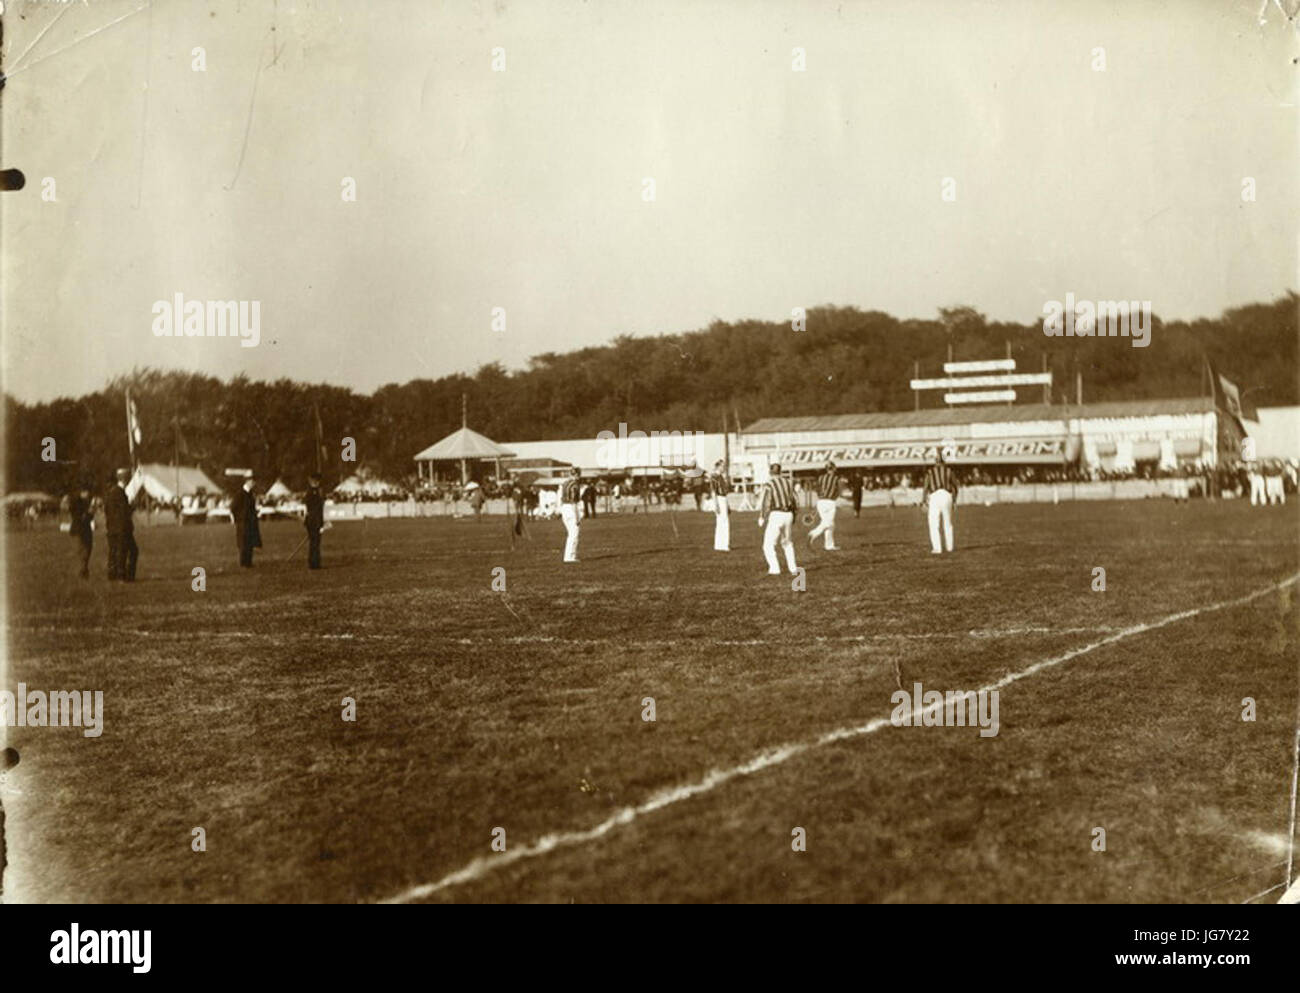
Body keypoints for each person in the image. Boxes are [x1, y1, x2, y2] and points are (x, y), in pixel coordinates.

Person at [757, 462, 799, 576]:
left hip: (776, 514)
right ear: (780, 471)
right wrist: (794, 515)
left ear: (770, 472)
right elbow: (795, 500)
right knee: (788, 543)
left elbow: (766, 501)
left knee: (768, 544)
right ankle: (793, 568)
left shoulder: (769, 484)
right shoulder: (788, 482)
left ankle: (775, 568)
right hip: (788, 513)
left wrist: (762, 516)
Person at [104, 468, 138, 582]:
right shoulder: (119, 492)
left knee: (114, 551)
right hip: (122, 528)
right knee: (127, 551)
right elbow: (123, 512)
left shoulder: (111, 492)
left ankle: (112, 574)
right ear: (125, 478)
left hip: (112, 528)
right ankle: (123, 575)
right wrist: (132, 506)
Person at [922, 451, 959, 554]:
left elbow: (925, 487)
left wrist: (924, 502)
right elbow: (955, 486)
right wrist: (954, 501)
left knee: (934, 523)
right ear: (944, 462)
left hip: (934, 496)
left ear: (935, 462)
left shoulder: (930, 472)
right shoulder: (949, 471)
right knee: (948, 523)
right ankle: (950, 547)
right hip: (947, 495)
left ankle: (937, 548)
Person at [807, 460, 842, 550]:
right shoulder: (836, 478)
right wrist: (834, 497)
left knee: (830, 524)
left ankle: (829, 545)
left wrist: (821, 496)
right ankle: (813, 534)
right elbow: (839, 491)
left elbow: (817, 488)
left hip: (821, 502)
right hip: (830, 502)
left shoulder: (821, 477)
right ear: (833, 468)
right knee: (828, 523)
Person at [233, 475, 262, 567]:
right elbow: (233, 507)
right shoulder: (240, 493)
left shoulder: (250, 494)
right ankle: (243, 562)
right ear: (247, 482)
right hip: (243, 522)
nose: (254, 484)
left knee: (250, 542)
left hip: (251, 521)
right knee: (243, 542)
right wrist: (239, 518)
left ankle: (248, 562)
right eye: (252, 482)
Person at [69, 482, 95, 579]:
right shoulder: (79, 502)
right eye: (87, 492)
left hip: (81, 528)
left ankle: (84, 569)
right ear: (83, 492)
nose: (88, 494)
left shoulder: (79, 501)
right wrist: (90, 513)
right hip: (82, 528)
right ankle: (83, 570)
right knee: (85, 549)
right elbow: (83, 517)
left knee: (85, 549)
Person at [709, 459, 731, 552]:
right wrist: (716, 504)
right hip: (719, 499)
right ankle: (723, 545)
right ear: (718, 466)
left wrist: (727, 504)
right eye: (723, 466)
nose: (724, 468)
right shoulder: (714, 477)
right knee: (723, 522)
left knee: (722, 521)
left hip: (723, 499)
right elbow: (713, 491)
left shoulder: (720, 477)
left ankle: (720, 544)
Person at [559, 466, 581, 563]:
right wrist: (577, 517)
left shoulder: (564, 483)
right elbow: (574, 502)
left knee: (570, 533)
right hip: (571, 509)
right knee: (574, 534)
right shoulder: (575, 485)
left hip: (564, 508)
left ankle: (568, 556)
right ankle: (570, 557)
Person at [305, 473, 325, 570]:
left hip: (312, 520)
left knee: (315, 542)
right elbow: (316, 510)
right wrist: (320, 523)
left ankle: (314, 562)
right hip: (314, 521)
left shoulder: (314, 492)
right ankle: (314, 563)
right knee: (315, 542)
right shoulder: (313, 493)